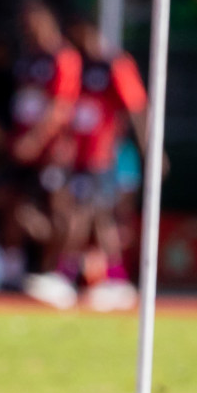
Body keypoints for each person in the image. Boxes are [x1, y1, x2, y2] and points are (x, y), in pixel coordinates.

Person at [64, 19, 152, 311]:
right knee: (88, 215)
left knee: (104, 216)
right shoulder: (80, 66)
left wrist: (149, 151)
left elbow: (137, 108)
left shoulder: (114, 64)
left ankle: (112, 278)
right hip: (82, 157)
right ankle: (99, 276)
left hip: (108, 157)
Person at [9, 2, 82, 308]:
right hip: (27, 149)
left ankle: (60, 272)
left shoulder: (63, 57)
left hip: (53, 150)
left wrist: (36, 140)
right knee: (19, 208)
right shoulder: (29, 60)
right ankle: (32, 268)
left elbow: (60, 107)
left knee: (60, 209)